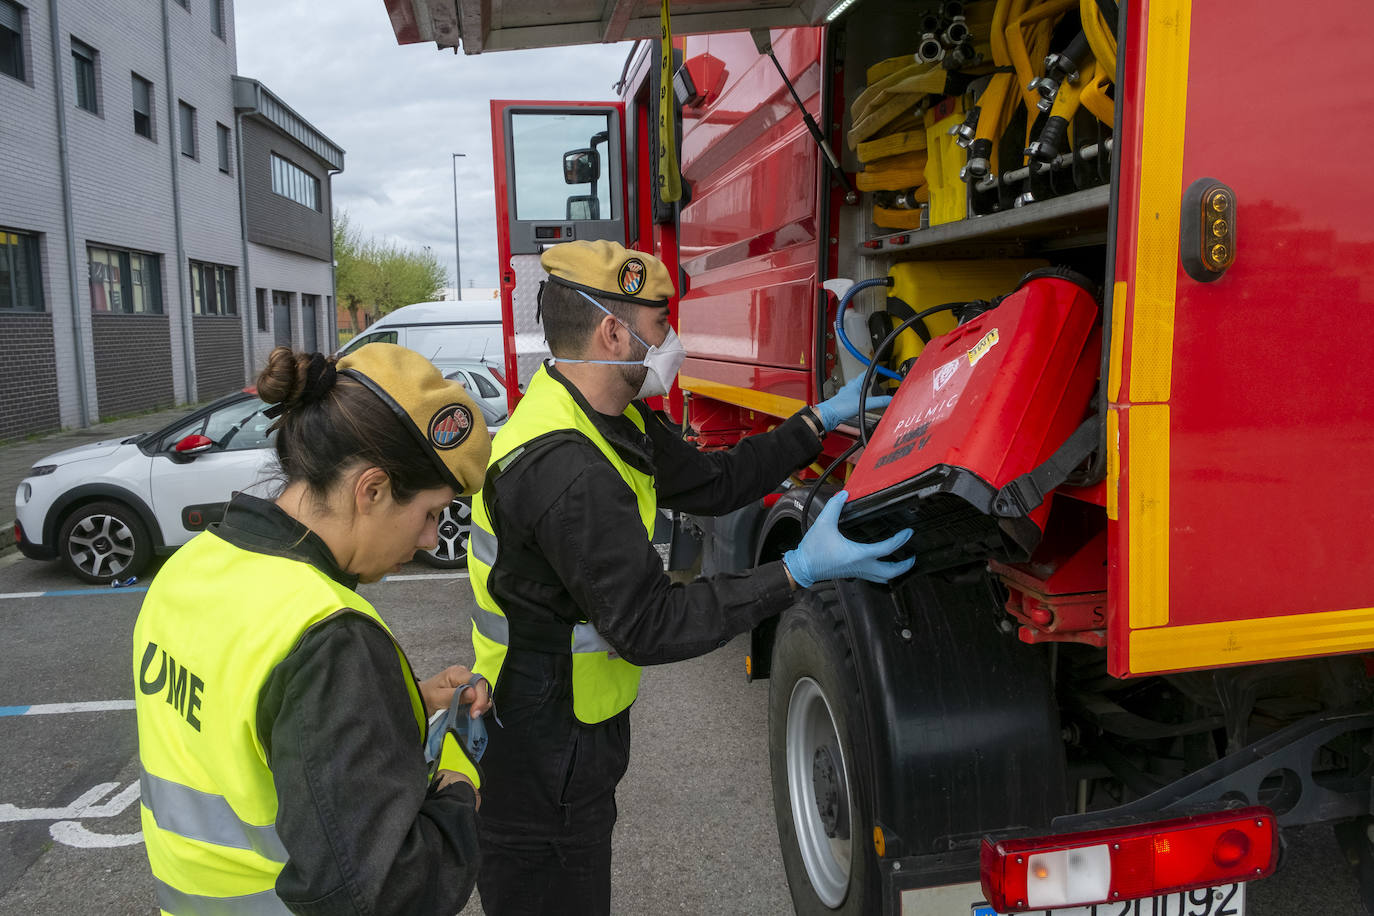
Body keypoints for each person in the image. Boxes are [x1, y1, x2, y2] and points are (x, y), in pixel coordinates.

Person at [467, 240, 915, 914]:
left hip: (566, 730)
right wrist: (794, 571)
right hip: (541, 751)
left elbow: (716, 480)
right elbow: (651, 625)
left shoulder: (607, 421)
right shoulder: (569, 470)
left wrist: (818, 420)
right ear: (611, 331)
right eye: (658, 326)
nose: (669, 341)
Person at [134, 343, 494, 915]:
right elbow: (385, 895)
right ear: (371, 490)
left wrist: (395, 705)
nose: (430, 539)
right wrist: (459, 783)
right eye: (430, 513)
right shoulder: (328, 636)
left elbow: (251, 727)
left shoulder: (189, 568)